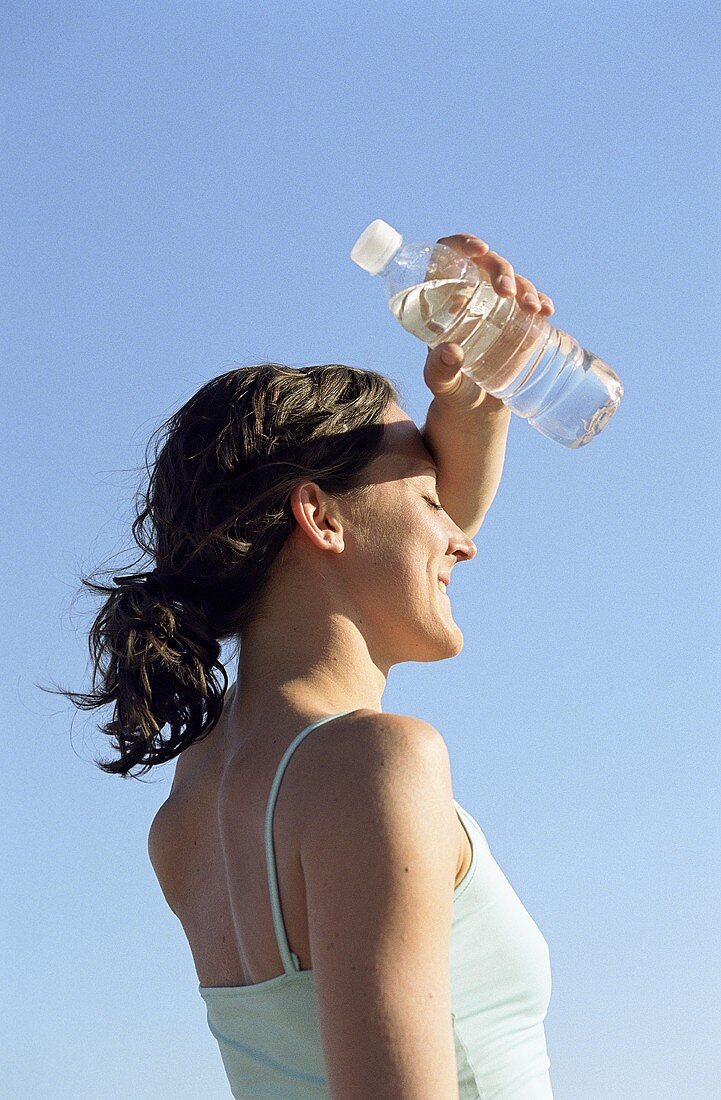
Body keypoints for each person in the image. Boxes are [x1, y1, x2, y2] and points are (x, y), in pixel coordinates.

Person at [60, 235, 557, 1098]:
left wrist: (475, 395)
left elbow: (395, 538)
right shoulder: (374, 763)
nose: (464, 541)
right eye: (432, 502)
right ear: (319, 519)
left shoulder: (190, 817)